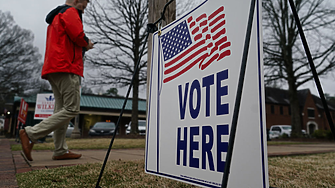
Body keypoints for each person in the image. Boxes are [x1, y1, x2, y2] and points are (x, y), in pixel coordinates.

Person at [19, 0, 94, 161]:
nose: (86, 7)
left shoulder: (57, 15)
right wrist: (87, 44)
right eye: (85, 3)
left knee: (61, 110)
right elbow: (78, 35)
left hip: (54, 67)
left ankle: (60, 150)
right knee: (72, 109)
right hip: (66, 67)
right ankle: (30, 133)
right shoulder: (70, 12)